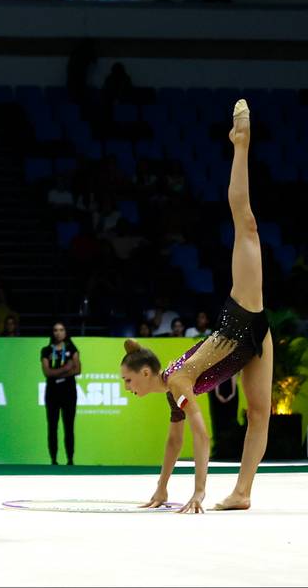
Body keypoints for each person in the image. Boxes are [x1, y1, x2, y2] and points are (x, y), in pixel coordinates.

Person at [119, 100, 271, 513]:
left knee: (247, 225)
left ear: (147, 374)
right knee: (259, 413)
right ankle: (242, 492)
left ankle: (240, 144)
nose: (129, 390)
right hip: (256, 336)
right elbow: (175, 440)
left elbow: (200, 435)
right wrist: (162, 487)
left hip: (239, 320)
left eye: (130, 383)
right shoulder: (171, 392)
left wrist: (198, 492)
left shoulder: (179, 380)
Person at [42, 322, 81, 466]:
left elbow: (78, 369)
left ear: (66, 332)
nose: (58, 333)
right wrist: (66, 368)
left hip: (69, 392)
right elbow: (47, 372)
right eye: (55, 330)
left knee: (69, 426)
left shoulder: (72, 348)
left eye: (61, 330)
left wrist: (56, 373)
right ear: (52, 332)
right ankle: (53, 460)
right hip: (52, 392)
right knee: (52, 426)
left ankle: (70, 459)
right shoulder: (46, 351)